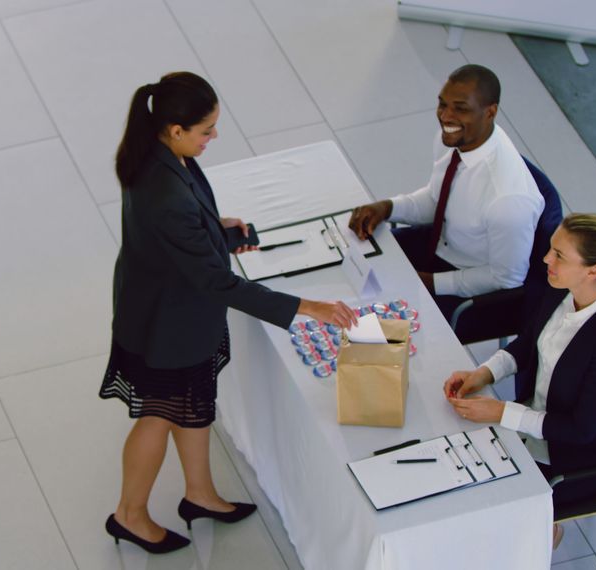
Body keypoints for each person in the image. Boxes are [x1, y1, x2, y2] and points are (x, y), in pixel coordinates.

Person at [100, 71, 357, 554]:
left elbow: (178, 234)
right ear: (176, 129)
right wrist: (309, 308)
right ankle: (129, 516)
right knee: (159, 416)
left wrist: (216, 228)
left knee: (193, 406)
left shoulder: (157, 153)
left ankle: (199, 495)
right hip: (165, 325)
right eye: (206, 130)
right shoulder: (165, 192)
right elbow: (214, 280)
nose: (214, 137)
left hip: (172, 311)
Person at [441, 213, 596, 550]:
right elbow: (527, 343)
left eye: (559, 256)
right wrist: (484, 373)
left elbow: (581, 430)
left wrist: (501, 412)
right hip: (531, 421)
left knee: (470, 501)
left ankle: (543, 532)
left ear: (593, 271)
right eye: (551, 250)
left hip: (574, 457)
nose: (547, 259)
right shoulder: (559, 288)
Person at [348, 64, 544, 320]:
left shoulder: (507, 201)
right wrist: (387, 208)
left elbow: (506, 277)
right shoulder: (455, 138)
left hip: (473, 287)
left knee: (375, 322)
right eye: (442, 104)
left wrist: (430, 283)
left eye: (460, 109)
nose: (446, 116)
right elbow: (436, 199)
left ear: (490, 112)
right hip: (441, 242)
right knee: (354, 257)